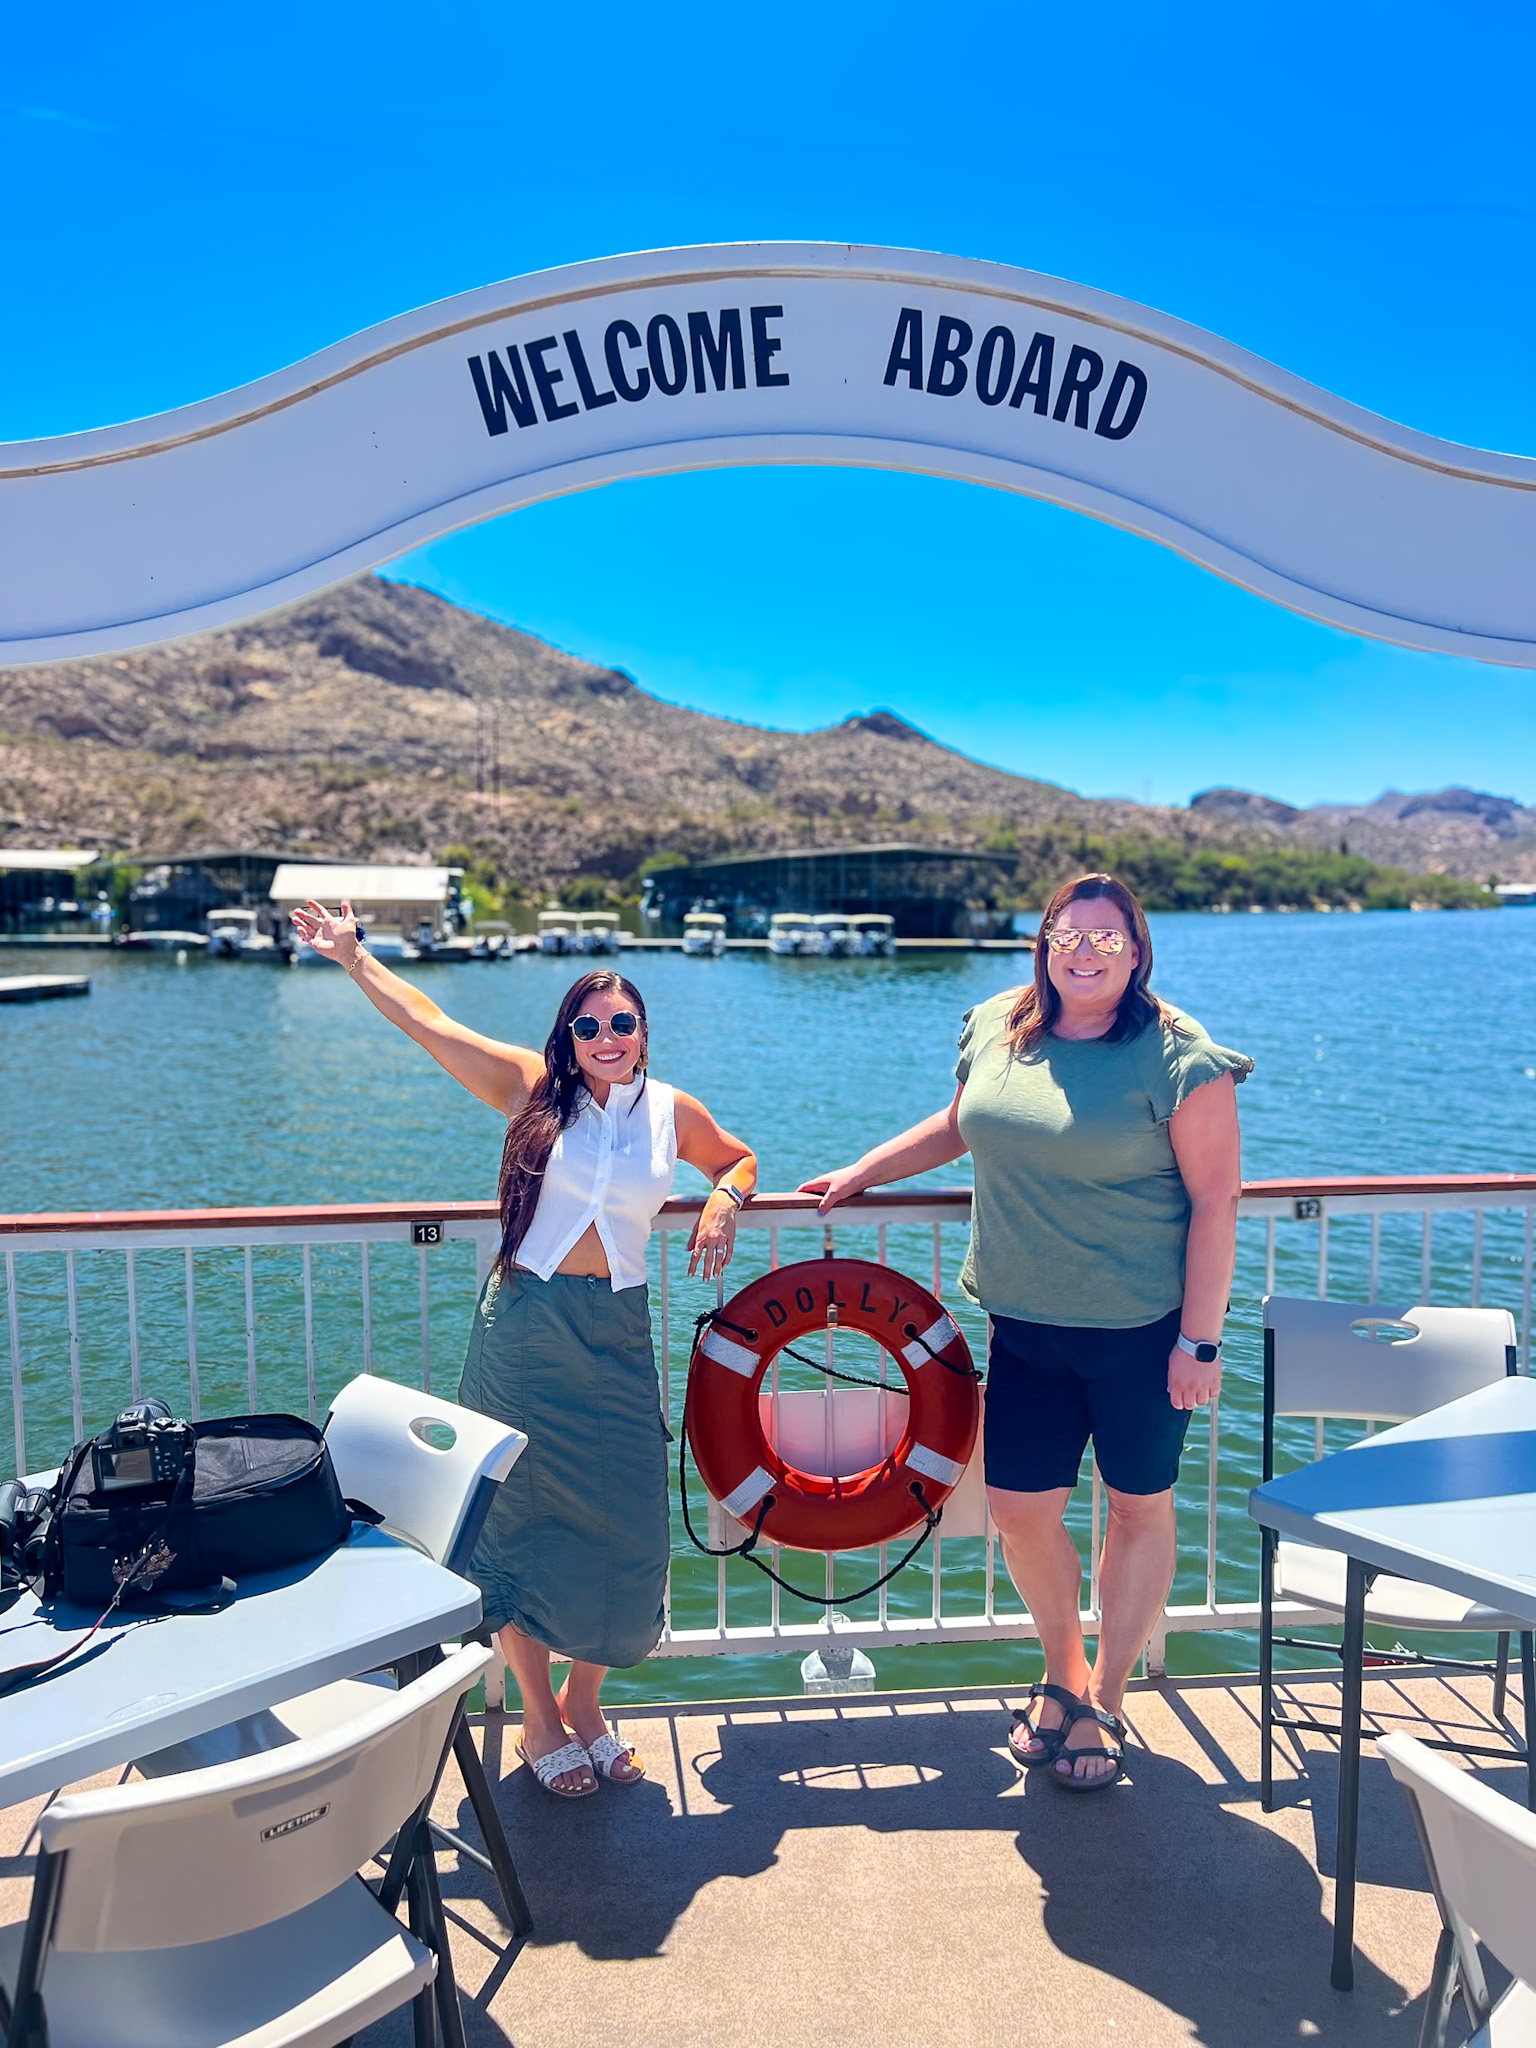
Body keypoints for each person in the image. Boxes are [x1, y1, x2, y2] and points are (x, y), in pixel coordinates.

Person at [289, 900, 756, 1798]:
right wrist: (354, 958)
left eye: (622, 1023)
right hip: (525, 1329)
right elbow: (431, 1025)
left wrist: (724, 1198)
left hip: (618, 1332)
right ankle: (539, 1718)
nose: (606, 1036)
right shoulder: (531, 1090)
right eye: (589, 1025)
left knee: (628, 1523)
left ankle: (589, 1700)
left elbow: (738, 1158)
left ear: (644, 1035)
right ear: (569, 1037)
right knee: (520, 1519)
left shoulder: (671, 1113)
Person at [800, 873, 1249, 1793]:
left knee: (1135, 1507)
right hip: (1024, 1327)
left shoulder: (1177, 1055)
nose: (1084, 951)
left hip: (1140, 1331)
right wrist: (864, 1171)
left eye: (1106, 938)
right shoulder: (1001, 1024)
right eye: (1067, 935)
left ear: (1137, 952)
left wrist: (1197, 1342)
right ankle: (1062, 1671)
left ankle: (1107, 1699)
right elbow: (961, 1125)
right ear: (1043, 944)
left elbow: (1218, 1200)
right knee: (1020, 1513)